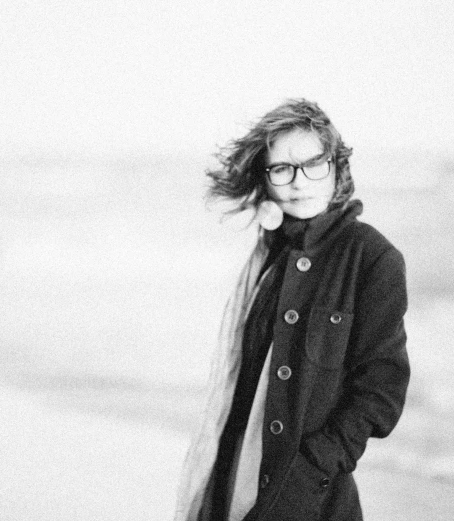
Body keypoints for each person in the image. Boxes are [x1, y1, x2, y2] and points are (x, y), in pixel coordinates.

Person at [175, 99, 410, 521]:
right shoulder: (266, 255)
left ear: (336, 167)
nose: (299, 182)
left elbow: (381, 393)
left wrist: (311, 468)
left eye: (312, 164)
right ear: (266, 179)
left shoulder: (372, 257)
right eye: (281, 169)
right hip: (233, 482)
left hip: (309, 499)